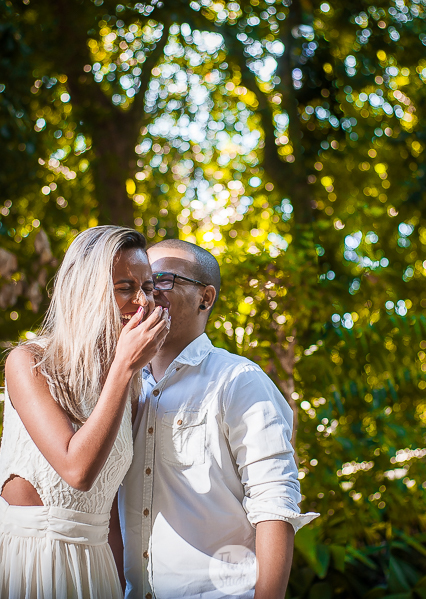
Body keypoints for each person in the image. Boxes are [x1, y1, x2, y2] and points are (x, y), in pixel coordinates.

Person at [0, 226, 170, 599]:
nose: (142, 301)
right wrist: (123, 368)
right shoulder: (29, 363)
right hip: (27, 559)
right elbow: (77, 471)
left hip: (94, 568)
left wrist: (124, 587)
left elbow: (113, 507)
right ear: (86, 291)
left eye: (148, 287)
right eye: (125, 288)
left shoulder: (133, 387)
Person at [120, 239, 318, 599]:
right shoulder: (121, 387)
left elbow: (274, 503)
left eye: (163, 280)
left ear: (205, 298)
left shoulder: (238, 380)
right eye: (145, 282)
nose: (148, 294)